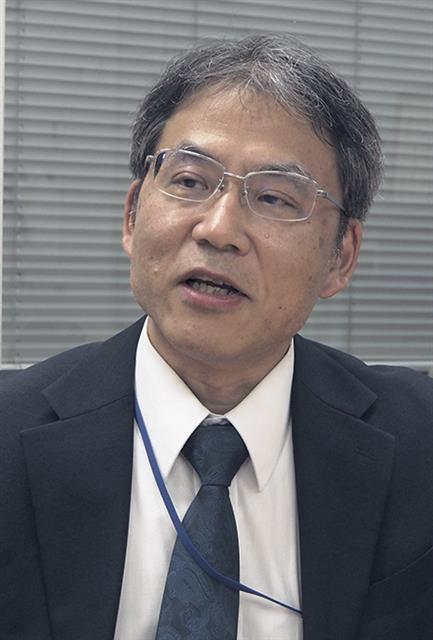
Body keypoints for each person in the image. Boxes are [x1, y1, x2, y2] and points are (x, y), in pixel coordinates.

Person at [0, 32, 432, 640]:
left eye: (275, 197)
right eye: (188, 181)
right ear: (132, 216)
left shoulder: (419, 443)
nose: (219, 229)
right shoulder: (10, 433)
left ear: (341, 257)